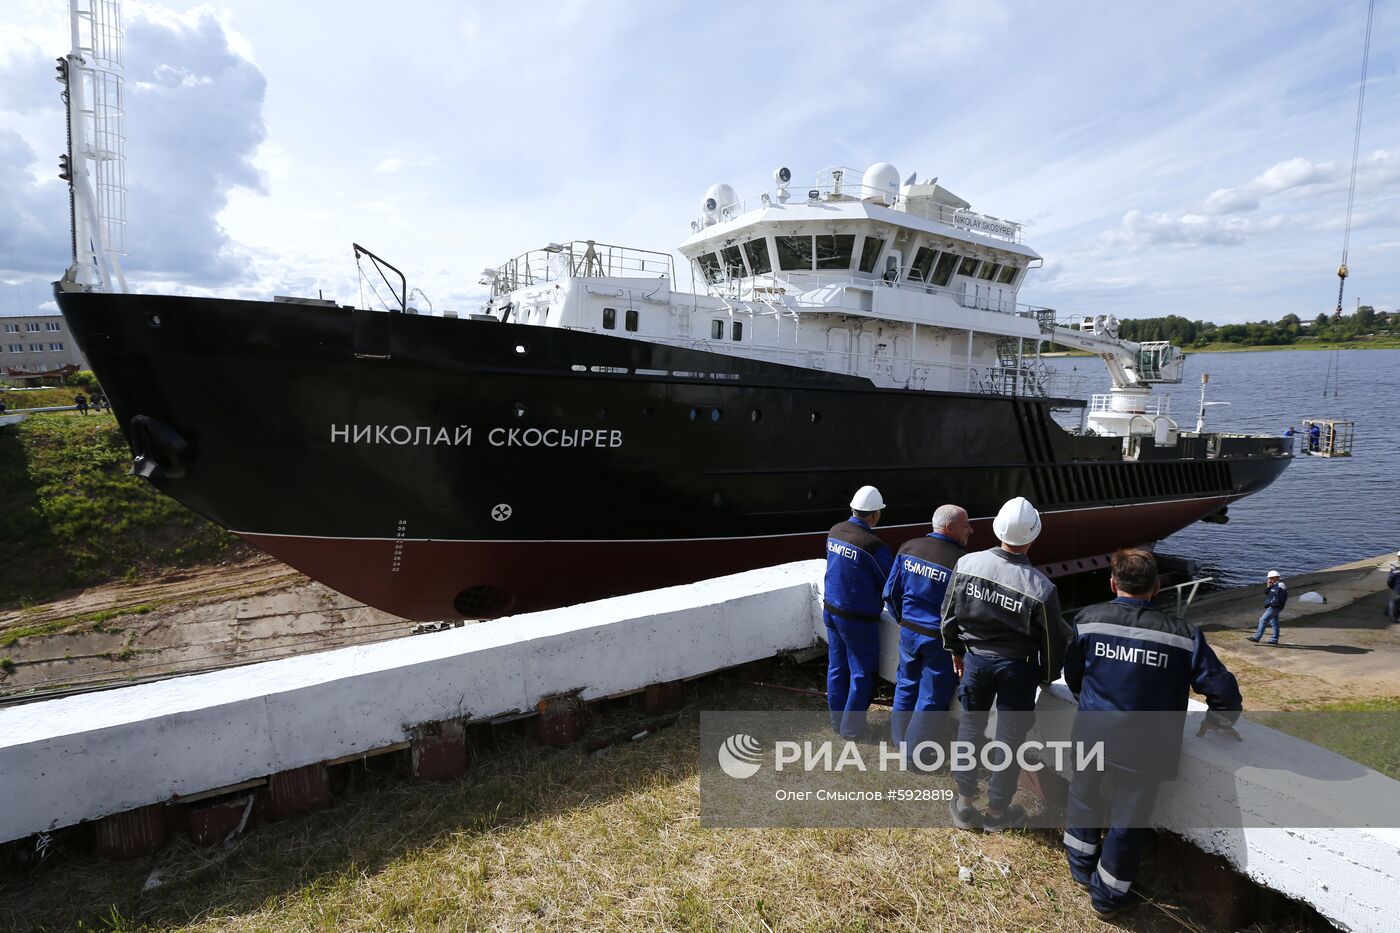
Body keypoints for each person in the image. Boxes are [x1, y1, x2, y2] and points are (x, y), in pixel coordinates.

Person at [1062, 549, 1242, 920]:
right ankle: (1108, 897)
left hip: (1092, 731)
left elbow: (1074, 675)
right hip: (1146, 745)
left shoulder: (1087, 621)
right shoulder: (1184, 636)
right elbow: (1222, 688)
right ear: (1157, 586)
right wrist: (1220, 719)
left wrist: (1088, 697)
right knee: (1127, 822)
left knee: (1082, 797)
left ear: (1113, 584)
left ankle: (1081, 867)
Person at [941, 496, 1070, 832]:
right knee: (1009, 739)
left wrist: (956, 650)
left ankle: (965, 804)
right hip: (1018, 669)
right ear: (1032, 536)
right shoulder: (1041, 588)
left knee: (970, 729)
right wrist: (1047, 676)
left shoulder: (968, 564)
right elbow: (1052, 643)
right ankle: (998, 813)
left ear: (998, 529)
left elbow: (948, 616)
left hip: (976, 660)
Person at [884, 503, 972, 757]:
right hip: (939, 641)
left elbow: (890, 592)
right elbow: (963, 611)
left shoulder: (909, 547)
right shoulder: (961, 563)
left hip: (909, 633)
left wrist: (902, 619)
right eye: (966, 525)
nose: (971, 530)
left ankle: (899, 741)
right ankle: (913, 755)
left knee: (906, 684)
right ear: (950, 527)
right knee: (932, 696)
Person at [823, 485, 894, 739]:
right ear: (875, 515)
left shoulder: (835, 531)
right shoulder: (872, 545)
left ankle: (836, 722)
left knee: (837, 667)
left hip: (830, 610)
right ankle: (851, 730)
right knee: (862, 674)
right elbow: (889, 582)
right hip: (857, 619)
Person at [1248, 570, 1287, 644]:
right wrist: (1269, 586)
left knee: (1262, 620)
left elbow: (1280, 597)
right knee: (1274, 622)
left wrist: (1272, 603)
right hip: (1274, 606)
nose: (1269, 580)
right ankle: (1274, 639)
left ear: (1276, 578)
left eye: (1271, 578)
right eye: (1269, 578)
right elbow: (1267, 593)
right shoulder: (1274, 586)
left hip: (1274, 607)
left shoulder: (1280, 585)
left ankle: (1257, 637)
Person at [1387, 552, 1400, 624]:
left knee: (1393, 603)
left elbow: (1390, 580)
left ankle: (1393, 618)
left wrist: (1391, 587)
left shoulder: (1395, 569)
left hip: (1397, 589)